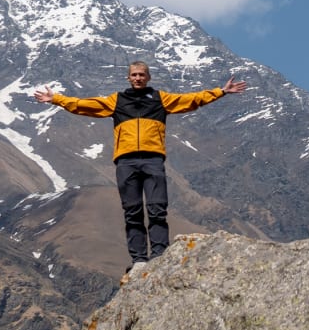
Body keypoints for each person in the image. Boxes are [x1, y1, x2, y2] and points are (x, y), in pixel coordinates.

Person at [33, 63, 246, 264]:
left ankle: (160, 256)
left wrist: (221, 91)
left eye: (141, 74)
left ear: (148, 77)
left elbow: (191, 99)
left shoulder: (160, 99)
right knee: (132, 212)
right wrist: (56, 99)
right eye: (134, 74)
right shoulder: (116, 101)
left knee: (157, 209)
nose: (138, 78)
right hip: (126, 162)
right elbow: (84, 105)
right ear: (128, 78)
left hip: (153, 160)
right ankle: (139, 260)